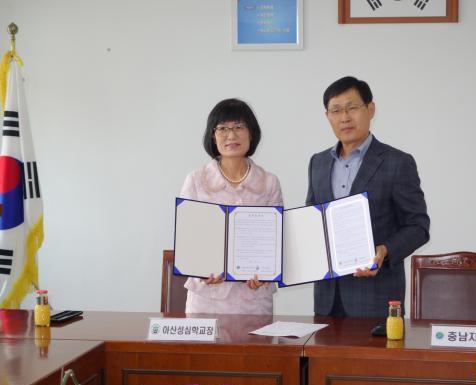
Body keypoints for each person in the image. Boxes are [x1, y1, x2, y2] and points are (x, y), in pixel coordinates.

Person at [306, 76, 430, 318]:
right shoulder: (317, 163)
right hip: (327, 300)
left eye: (352, 107)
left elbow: (418, 226)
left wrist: (384, 250)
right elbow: (312, 222)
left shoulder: (397, 162)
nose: (344, 117)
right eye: (336, 111)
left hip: (376, 297)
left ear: (370, 109)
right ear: (327, 116)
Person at [180, 98, 282, 315]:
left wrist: (266, 274)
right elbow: (188, 239)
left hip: (254, 301)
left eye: (239, 127)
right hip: (206, 301)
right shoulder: (196, 180)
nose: (231, 135)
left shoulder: (269, 182)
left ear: (251, 133)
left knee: (256, 340)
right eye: (223, 128)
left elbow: (275, 241)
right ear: (213, 135)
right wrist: (199, 270)